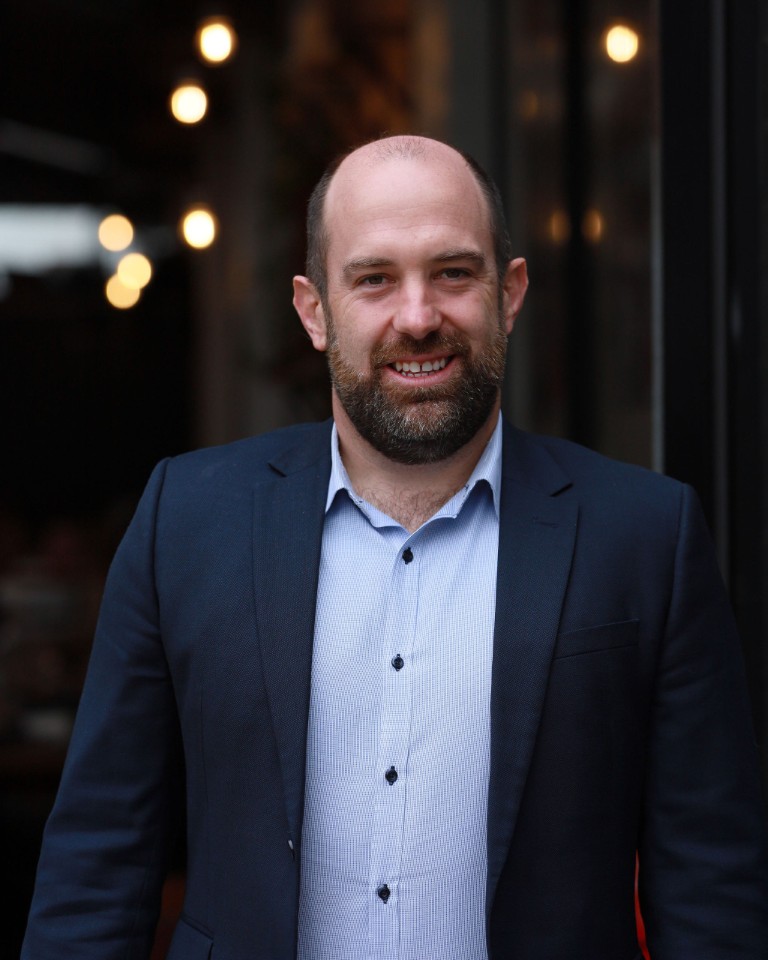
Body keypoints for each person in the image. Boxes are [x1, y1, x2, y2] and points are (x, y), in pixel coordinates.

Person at [22, 135, 768, 960]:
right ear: (314, 310)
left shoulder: (646, 535)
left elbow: (711, 887)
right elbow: (99, 858)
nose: (418, 318)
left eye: (453, 273)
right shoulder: (186, 521)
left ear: (510, 293)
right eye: (374, 279)